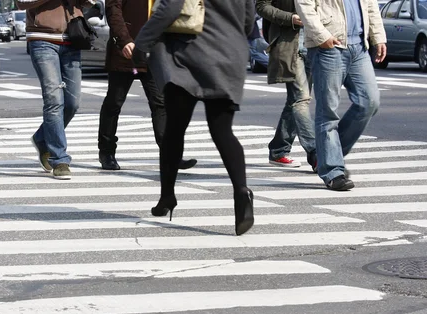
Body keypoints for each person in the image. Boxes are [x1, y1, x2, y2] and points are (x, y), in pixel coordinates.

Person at [135, 0, 256, 236]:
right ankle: (241, 192)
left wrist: (142, 43)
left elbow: (170, 9)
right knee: (222, 130)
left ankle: (167, 196)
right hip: (229, 54)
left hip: (186, 56)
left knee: (175, 129)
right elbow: (249, 20)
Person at [295, 0, 387, 190]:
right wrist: (322, 36)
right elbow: (304, 4)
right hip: (328, 47)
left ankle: (325, 155)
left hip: (359, 46)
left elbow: (370, 5)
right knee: (328, 111)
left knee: (369, 102)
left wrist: (378, 36)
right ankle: (332, 171)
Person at [97, 0, 197, 171]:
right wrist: (124, 40)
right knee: (114, 102)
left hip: (154, 51)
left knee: (161, 103)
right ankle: (106, 152)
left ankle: (170, 155)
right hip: (127, 50)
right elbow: (114, 11)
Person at [18, 0, 93, 180]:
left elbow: (91, 3)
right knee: (54, 100)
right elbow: (21, 2)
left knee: (72, 103)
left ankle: (42, 138)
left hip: (73, 37)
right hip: (42, 39)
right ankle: (59, 159)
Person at [256, 1, 317, 170]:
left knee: (296, 101)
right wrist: (291, 18)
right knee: (301, 99)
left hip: (316, 42)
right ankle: (316, 153)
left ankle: (278, 150)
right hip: (291, 44)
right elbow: (261, 6)